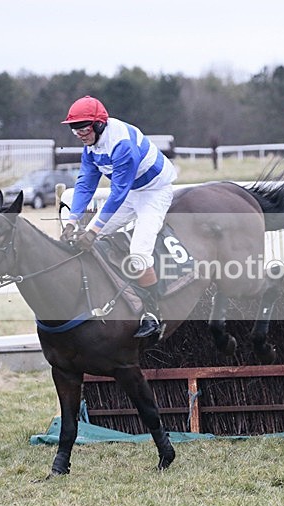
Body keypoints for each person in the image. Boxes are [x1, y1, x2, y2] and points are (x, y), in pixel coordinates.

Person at [60, 95, 177, 339]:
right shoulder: (91, 145)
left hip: (154, 192)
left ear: (99, 124)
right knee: (84, 237)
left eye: (83, 128)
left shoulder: (121, 143)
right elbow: (85, 184)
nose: (79, 134)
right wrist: (73, 221)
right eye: (75, 130)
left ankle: (154, 314)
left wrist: (93, 231)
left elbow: (117, 193)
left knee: (138, 253)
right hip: (131, 192)